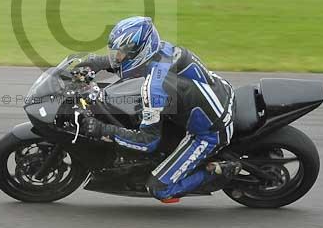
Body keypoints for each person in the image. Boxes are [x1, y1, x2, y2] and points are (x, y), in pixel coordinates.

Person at [72, 16, 239, 202]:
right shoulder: (162, 50)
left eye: (121, 53)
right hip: (219, 91)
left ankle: (221, 170)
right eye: (115, 52)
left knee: (159, 188)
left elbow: (147, 142)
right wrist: (92, 65)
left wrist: (102, 129)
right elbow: (127, 65)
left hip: (212, 130)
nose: (117, 57)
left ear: (140, 51)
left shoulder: (155, 88)